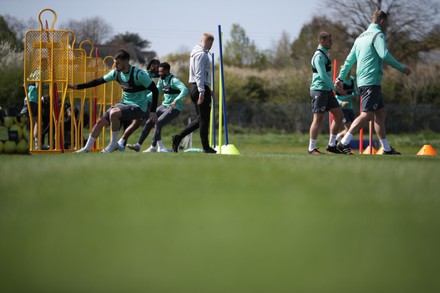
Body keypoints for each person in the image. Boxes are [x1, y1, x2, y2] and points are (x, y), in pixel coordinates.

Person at [335, 9, 411, 155]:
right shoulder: (378, 34)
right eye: (385, 23)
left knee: (380, 113)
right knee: (367, 115)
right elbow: (384, 55)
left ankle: (386, 148)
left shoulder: (360, 37)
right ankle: (343, 143)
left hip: (363, 80)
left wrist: (340, 78)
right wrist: (402, 68)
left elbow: (349, 60)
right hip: (371, 81)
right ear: (382, 21)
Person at [68, 49, 158, 153]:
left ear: (126, 62)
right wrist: (77, 87)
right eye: (114, 63)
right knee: (100, 122)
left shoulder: (139, 75)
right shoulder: (116, 73)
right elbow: (98, 81)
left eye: (118, 63)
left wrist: (153, 111)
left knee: (114, 113)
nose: (115, 66)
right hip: (123, 104)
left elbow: (155, 90)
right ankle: (86, 149)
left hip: (138, 107)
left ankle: (113, 143)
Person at [127, 62, 188, 152]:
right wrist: (142, 99)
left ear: (167, 71)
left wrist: (176, 100)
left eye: (161, 72)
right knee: (150, 121)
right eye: (158, 71)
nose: (159, 73)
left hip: (174, 108)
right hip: (164, 106)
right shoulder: (161, 80)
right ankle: (138, 145)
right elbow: (154, 92)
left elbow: (185, 90)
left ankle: (152, 147)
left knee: (158, 123)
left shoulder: (174, 80)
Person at [171, 33, 217, 154]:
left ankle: (178, 137)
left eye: (211, 43)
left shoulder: (198, 53)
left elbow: (202, 75)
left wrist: (207, 89)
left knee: (201, 119)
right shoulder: (201, 54)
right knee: (204, 120)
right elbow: (199, 74)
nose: (210, 45)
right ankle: (206, 147)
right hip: (198, 88)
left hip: (198, 87)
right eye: (208, 43)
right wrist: (202, 91)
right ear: (202, 41)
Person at [307, 31, 344, 154]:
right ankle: (311, 148)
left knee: (339, 115)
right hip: (319, 90)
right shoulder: (319, 56)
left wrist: (333, 87)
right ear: (322, 41)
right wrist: (336, 88)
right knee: (318, 119)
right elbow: (323, 75)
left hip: (327, 90)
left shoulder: (325, 54)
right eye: (329, 40)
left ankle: (331, 145)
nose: (331, 42)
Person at [117, 59, 160, 150]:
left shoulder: (152, 74)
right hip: (140, 103)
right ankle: (120, 142)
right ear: (151, 65)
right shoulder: (144, 74)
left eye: (158, 65)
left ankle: (123, 143)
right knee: (141, 123)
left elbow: (162, 74)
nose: (157, 67)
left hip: (143, 103)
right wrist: (149, 97)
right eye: (155, 65)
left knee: (142, 123)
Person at [335, 69, 359, 143]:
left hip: (350, 107)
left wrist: (358, 94)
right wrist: (341, 102)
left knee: (353, 129)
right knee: (349, 128)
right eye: (346, 72)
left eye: (349, 71)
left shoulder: (352, 79)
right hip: (342, 108)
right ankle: (343, 144)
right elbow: (334, 96)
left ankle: (337, 137)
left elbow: (355, 91)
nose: (348, 73)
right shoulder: (338, 81)